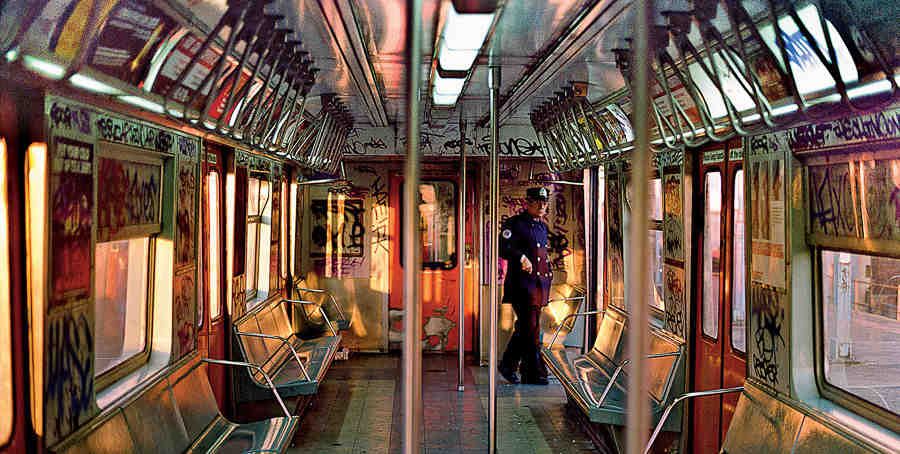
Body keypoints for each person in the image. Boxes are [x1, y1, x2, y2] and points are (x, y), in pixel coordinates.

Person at [498, 187, 553, 385]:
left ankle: (529, 371)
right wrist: (521, 257)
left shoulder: (542, 227)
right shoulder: (515, 224)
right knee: (529, 327)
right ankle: (517, 366)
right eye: (537, 202)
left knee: (528, 328)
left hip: (538, 287)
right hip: (522, 287)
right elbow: (503, 247)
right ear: (527, 203)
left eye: (544, 203)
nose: (541, 206)